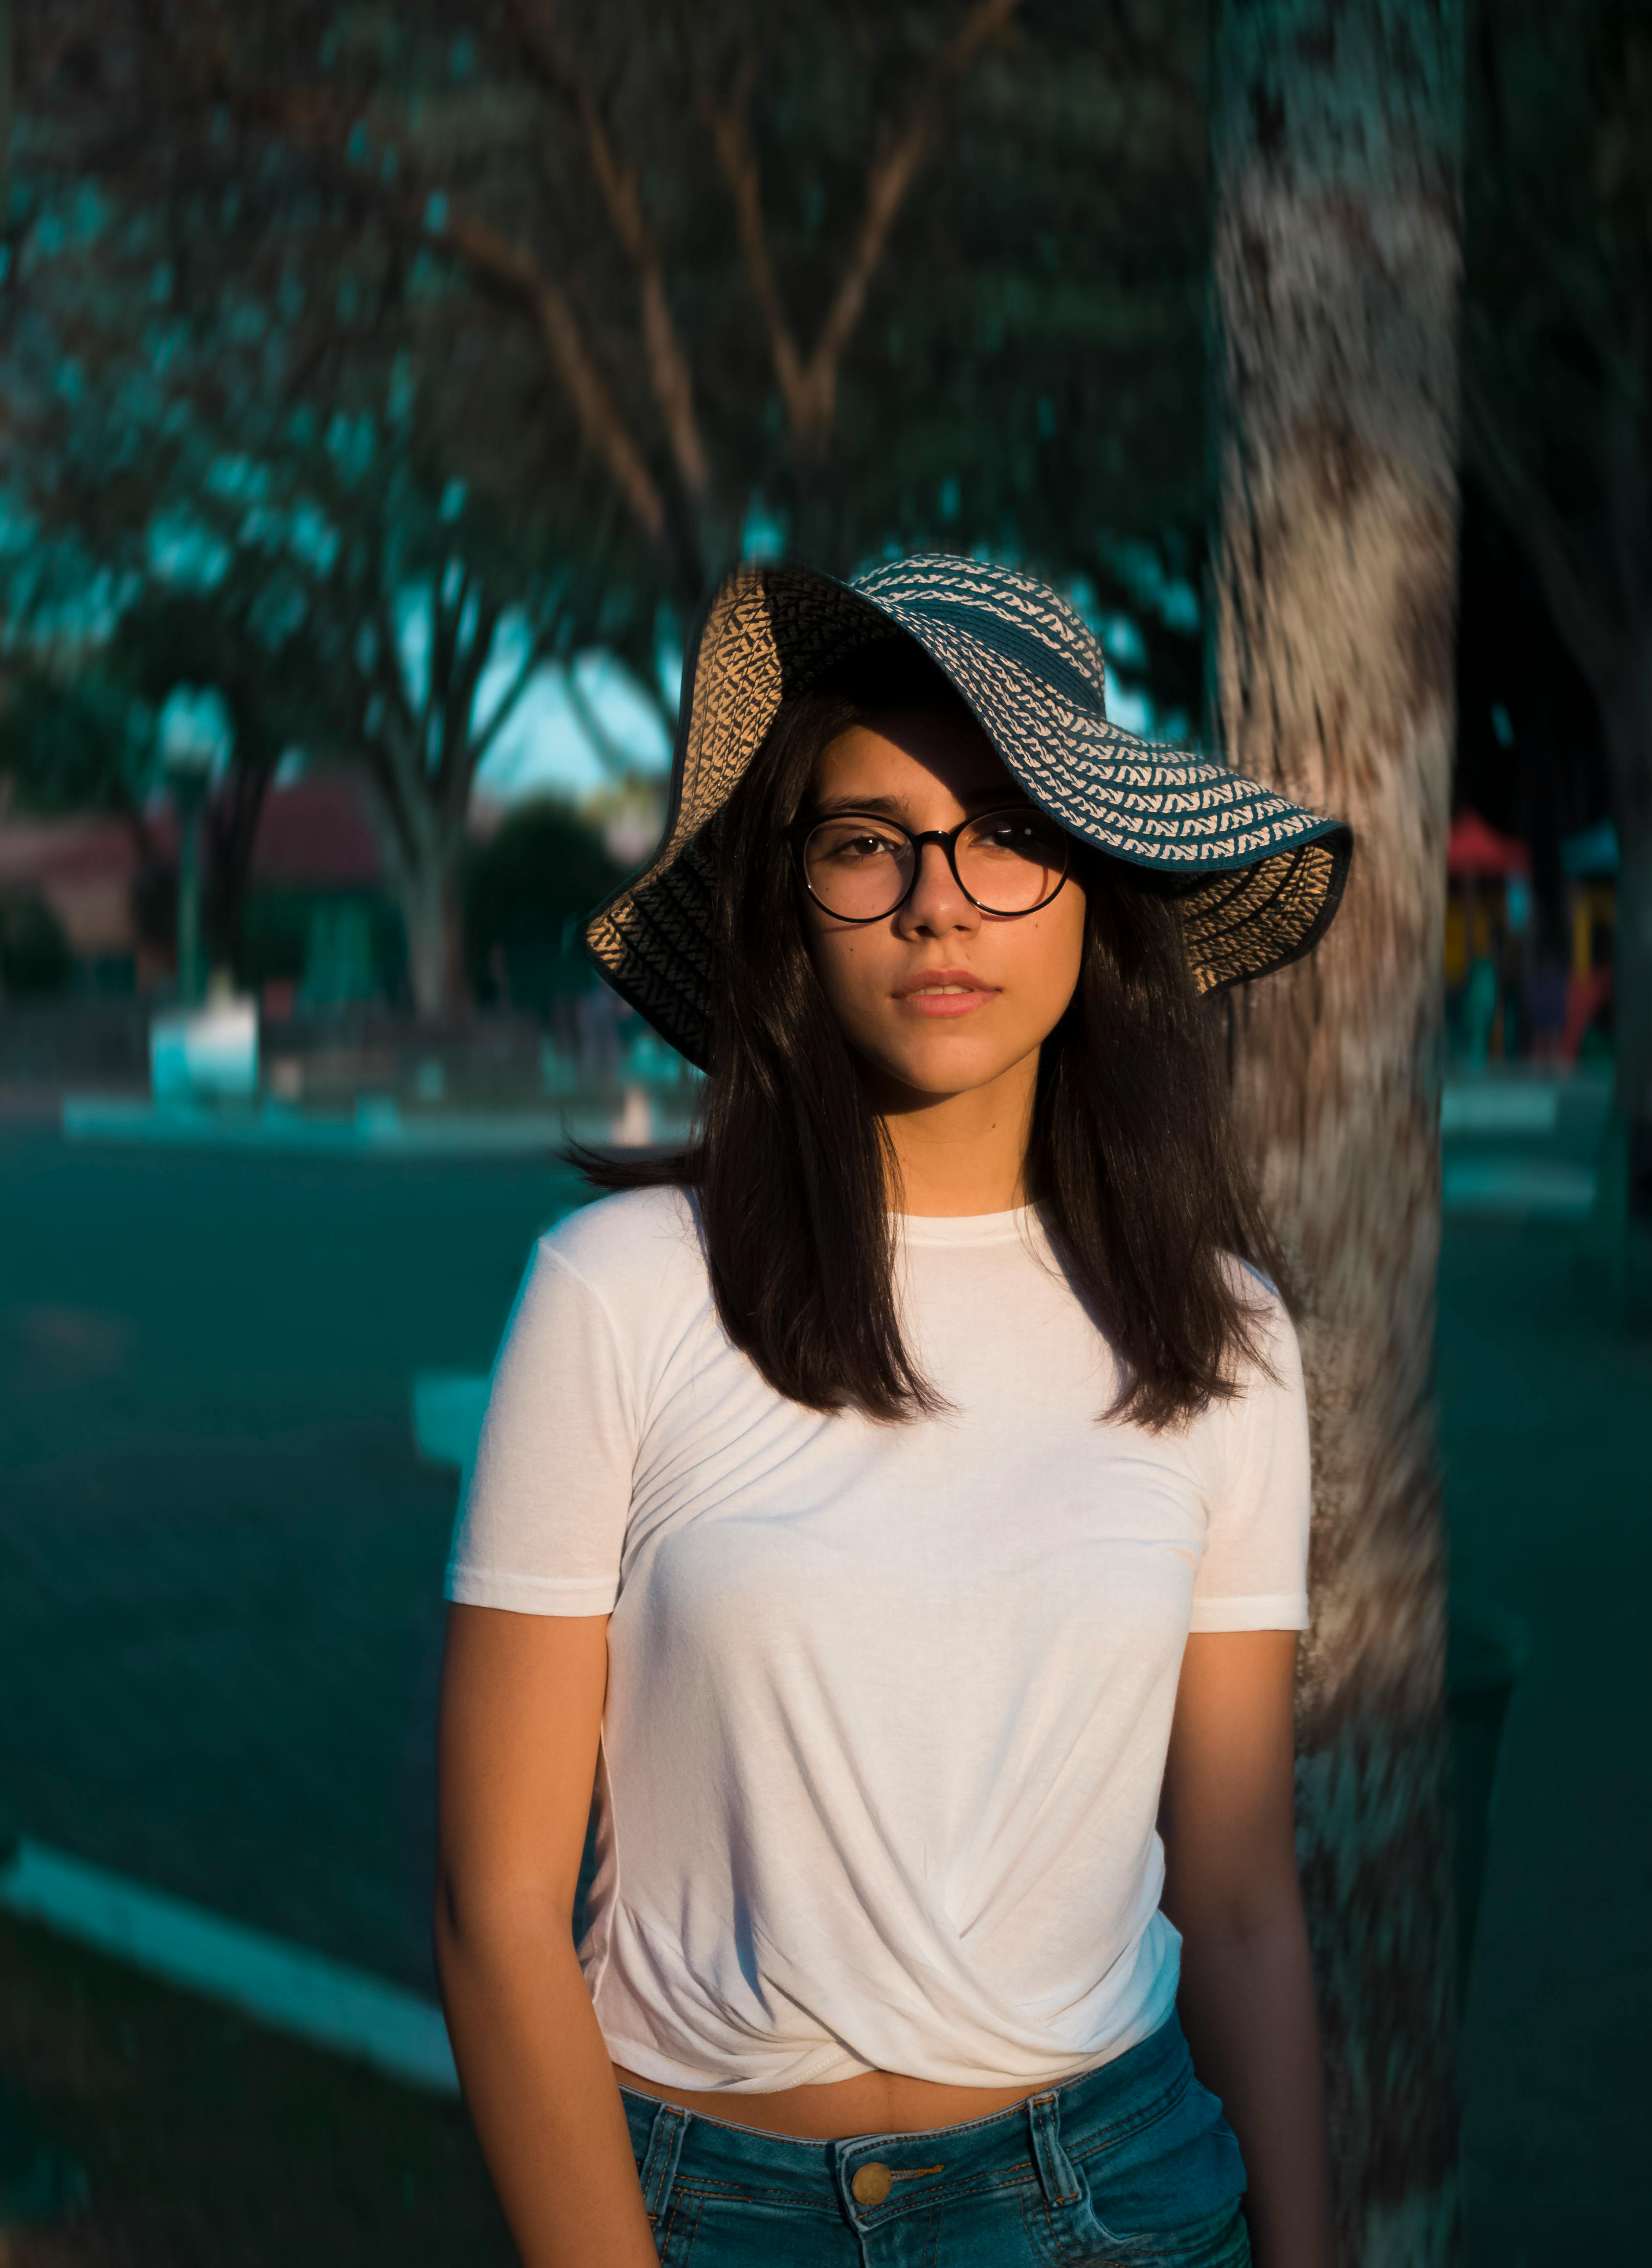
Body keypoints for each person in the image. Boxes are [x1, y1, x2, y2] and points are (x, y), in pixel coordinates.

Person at [436, 556, 1352, 2268]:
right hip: (706, 2211)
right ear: (793, 897)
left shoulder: (1224, 1339)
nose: (942, 901)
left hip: (1120, 2199)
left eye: (1010, 830)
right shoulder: (620, 1290)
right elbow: (496, 1912)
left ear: (1100, 891)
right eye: (868, 840)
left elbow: (1232, 1898)